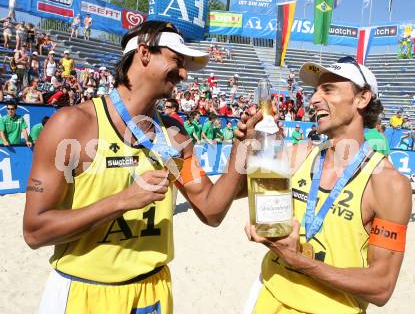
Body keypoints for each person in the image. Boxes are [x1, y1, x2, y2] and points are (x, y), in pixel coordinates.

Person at [24, 20, 249, 314]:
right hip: (85, 292)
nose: (183, 74)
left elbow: (211, 209)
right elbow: (35, 231)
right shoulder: (73, 125)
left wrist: (241, 147)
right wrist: (122, 201)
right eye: (177, 61)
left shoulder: (173, 136)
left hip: (152, 292)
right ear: (144, 53)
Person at [239, 57, 411, 314]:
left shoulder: (390, 183)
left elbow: (381, 286)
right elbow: (232, 197)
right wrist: (247, 144)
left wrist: (297, 260)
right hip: (270, 297)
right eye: (315, 91)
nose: (313, 100)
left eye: (328, 89)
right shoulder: (298, 155)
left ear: (362, 99)